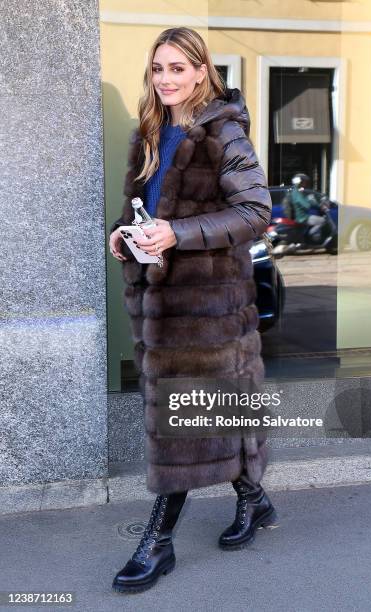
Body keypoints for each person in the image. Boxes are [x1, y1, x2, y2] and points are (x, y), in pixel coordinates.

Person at [108, 27, 276, 594]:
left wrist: (176, 235)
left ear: (202, 71)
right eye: (158, 69)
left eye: (178, 68)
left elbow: (255, 211)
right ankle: (254, 500)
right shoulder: (153, 130)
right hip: (162, 298)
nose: (166, 79)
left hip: (206, 304)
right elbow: (148, 207)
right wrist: (123, 233)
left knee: (182, 421)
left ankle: (157, 543)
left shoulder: (222, 133)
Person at [283, 173, 327, 239]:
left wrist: (316, 204)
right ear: (299, 182)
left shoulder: (296, 191)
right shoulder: (297, 193)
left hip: (300, 217)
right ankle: (310, 235)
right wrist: (313, 202)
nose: (305, 184)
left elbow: (306, 201)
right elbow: (306, 205)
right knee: (323, 221)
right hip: (302, 218)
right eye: (303, 182)